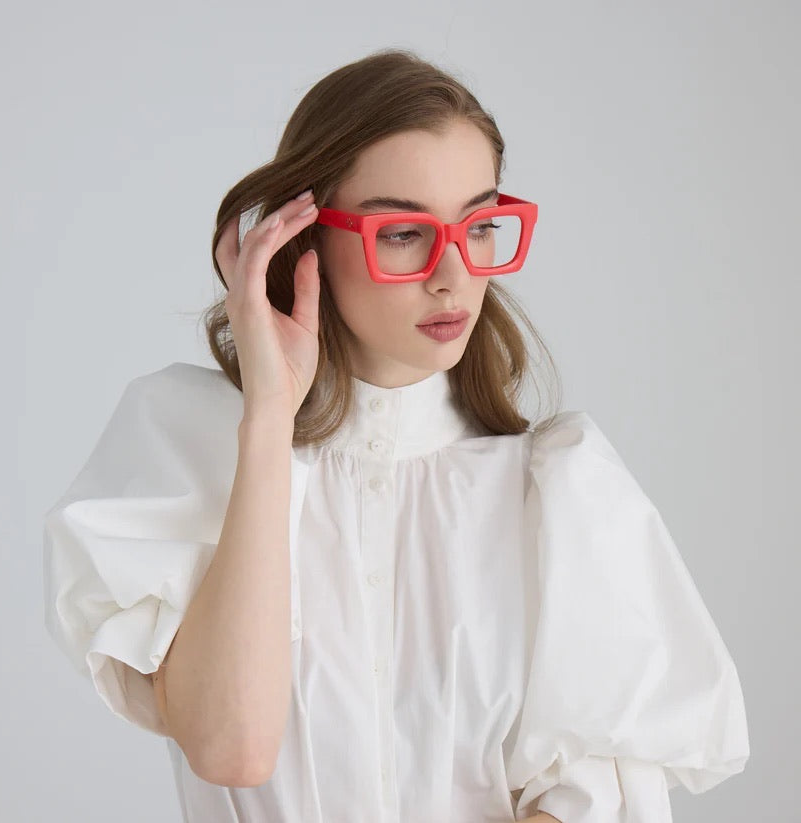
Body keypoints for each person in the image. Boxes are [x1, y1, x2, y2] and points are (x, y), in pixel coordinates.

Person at [42, 48, 749, 823]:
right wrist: (271, 417)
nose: (453, 275)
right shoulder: (194, 454)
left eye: (478, 225)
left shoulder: (558, 505)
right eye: (403, 233)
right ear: (302, 240)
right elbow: (231, 748)